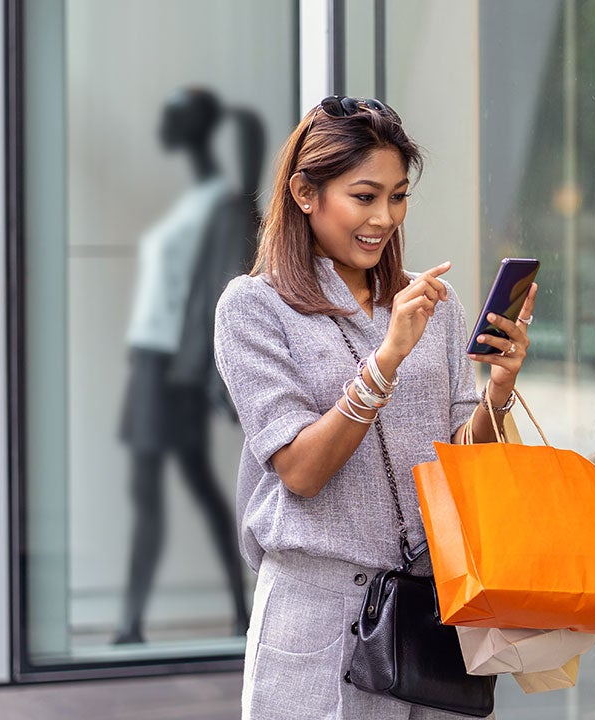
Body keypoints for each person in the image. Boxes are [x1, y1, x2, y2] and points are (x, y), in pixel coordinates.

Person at [214, 95, 537, 719]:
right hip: (319, 622)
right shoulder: (254, 307)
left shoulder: (433, 305)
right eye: (364, 196)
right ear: (305, 193)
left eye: (398, 196)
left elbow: (461, 463)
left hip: (432, 614)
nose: (384, 217)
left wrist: (498, 392)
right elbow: (301, 471)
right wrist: (386, 359)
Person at [115, 87, 261, 644]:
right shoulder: (196, 200)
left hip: (171, 367)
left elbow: (214, 291)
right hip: (150, 360)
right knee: (176, 485)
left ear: (196, 127)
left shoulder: (221, 204)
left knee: (164, 487)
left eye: (173, 116)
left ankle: (134, 623)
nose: (163, 124)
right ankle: (232, 611)